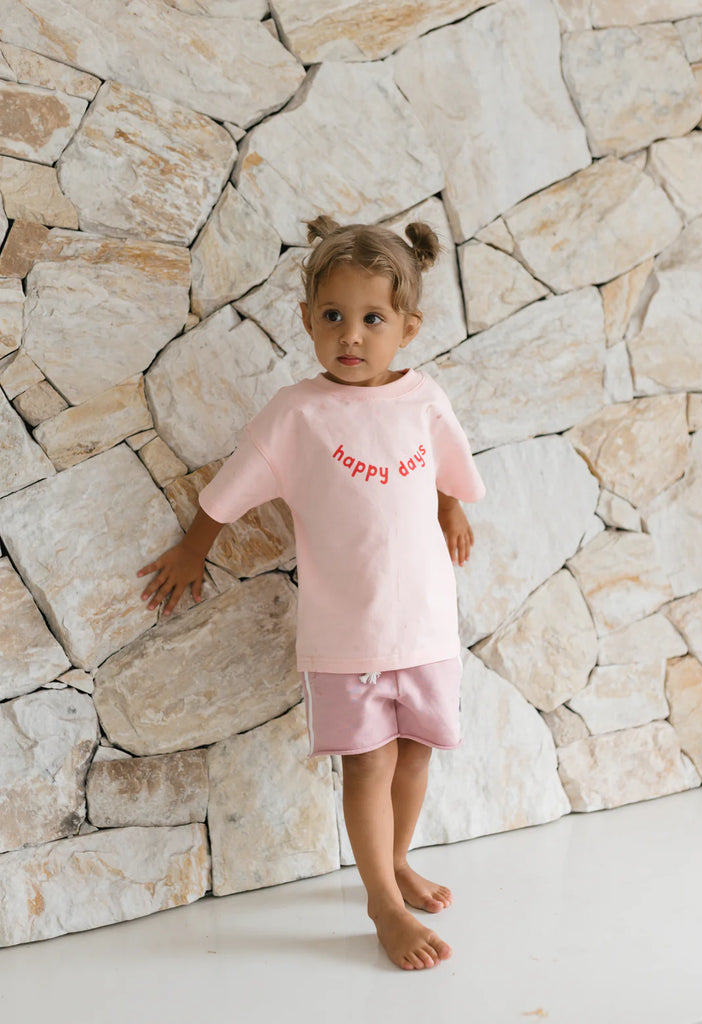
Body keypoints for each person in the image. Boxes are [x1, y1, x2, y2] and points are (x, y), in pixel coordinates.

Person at [138, 214, 486, 971]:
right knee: (367, 764)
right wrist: (192, 549)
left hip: (426, 625)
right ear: (306, 320)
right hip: (346, 636)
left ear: (408, 327)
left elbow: (444, 470)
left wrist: (449, 508)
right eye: (332, 317)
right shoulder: (297, 415)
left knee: (418, 754)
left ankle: (395, 861)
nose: (350, 336)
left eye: (371, 319)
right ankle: (381, 902)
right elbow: (227, 491)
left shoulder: (424, 398)